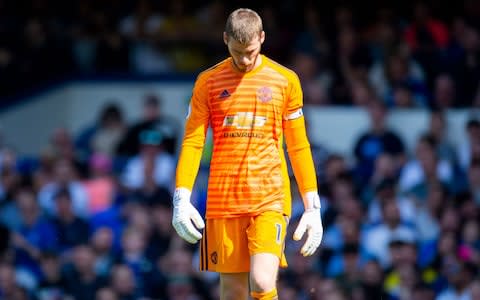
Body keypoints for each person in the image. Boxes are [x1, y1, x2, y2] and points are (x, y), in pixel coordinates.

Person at [171, 8, 323, 300]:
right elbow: (193, 141)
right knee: (234, 293)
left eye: (250, 51)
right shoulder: (208, 82)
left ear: (262, 39)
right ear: (225, 39)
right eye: (237, 51)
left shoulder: (285, 80)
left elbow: (298, 146)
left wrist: (312, 206)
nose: (244, 59)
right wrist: (181, 197)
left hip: (269, 198)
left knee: (263, 282)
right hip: (223, 200)